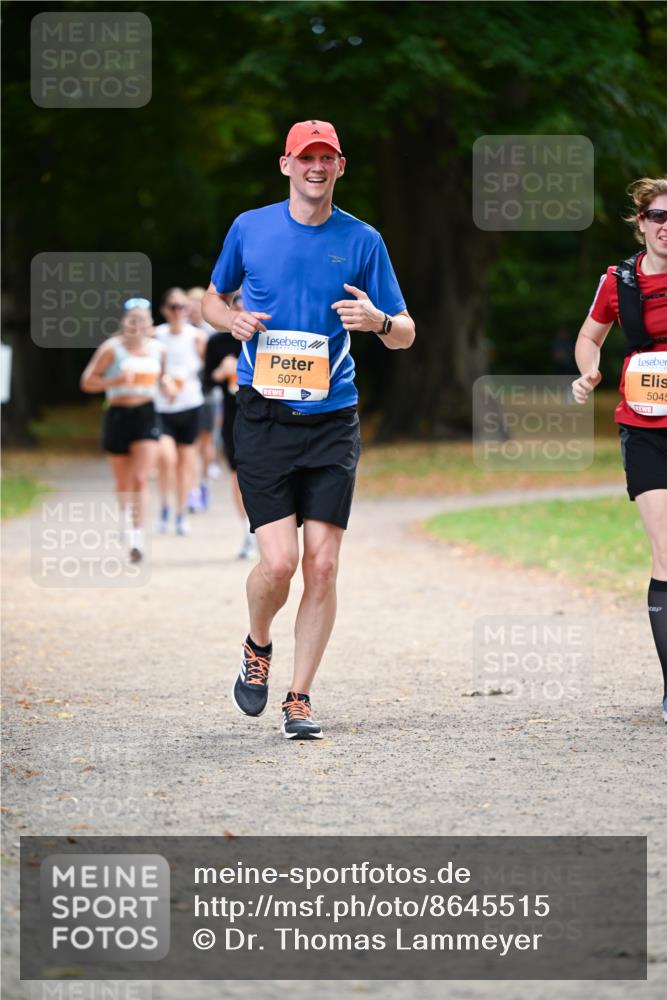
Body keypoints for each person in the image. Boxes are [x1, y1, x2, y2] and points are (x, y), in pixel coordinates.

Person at [203, 119, 415, 739]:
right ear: (286, 165)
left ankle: (300, 696)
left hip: (332, 419)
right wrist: (232, 320)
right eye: (306, 158)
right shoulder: (251, 227)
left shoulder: (363, 240)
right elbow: (214, 299)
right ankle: (257, 643)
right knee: (278, 563)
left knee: (322, 566)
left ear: (340, 167)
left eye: (327, 158)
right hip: (264, 416)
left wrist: (376, 320)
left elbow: (405, 331)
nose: (316, 167)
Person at [572, 176, 667, 724]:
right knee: (665, 550)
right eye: (657, 216)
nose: (665, 226)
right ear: (641, 221)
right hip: (645, 424)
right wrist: (588, 372)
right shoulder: (619, 280)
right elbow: (590, 336)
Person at [80, 299, 166, 562]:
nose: (137, 325)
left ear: (150, 325)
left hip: (146, 413)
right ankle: (125, 521)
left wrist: (170, 387)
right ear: (124, 323)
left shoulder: (159, 350)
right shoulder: (111, 348)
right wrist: (116, 380)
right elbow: (87, 382)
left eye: (143, 320)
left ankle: (137, 537)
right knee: (123, 481)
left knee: (140, 478)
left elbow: (163, 378)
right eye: (132, 319)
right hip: (117, 413)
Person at [202, 288, 256, 558]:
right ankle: (248, 529)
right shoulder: (217, 342)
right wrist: (221, 371)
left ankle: (271, 529)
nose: (243, 311)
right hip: (234, 414)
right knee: (238, 473)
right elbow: (206, 381)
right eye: (238, 305)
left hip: (267, 412)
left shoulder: (268, 337)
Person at [154, 287, 206, 535]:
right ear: (165, 310)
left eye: (183, 306)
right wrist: (163, 380)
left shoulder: (197, 337)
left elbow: (206, 369)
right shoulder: (156, 336)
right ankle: (164, 505)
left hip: (190, 404)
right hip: (163, 406)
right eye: (173, 307)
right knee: (166, 459)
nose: (179, 311)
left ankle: (182, 512)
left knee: (186, 462)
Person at [187, 286, 220, 512]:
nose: (192, 309)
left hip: (208, 393)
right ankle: (193, 489)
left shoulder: (210, 333)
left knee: (206, 440)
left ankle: (205, 481)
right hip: (186, 394)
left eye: (197, 305)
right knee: (192, 443)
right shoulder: (180, 330)